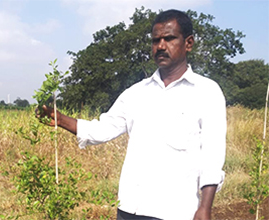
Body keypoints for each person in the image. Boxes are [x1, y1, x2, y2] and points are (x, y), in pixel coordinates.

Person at [37, 9, 226, 220]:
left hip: (174, 210)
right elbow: (104, 128)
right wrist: (61, 120)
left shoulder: (206, 92)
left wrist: (205, 208)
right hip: (131, 208)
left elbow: (212, 155)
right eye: (156, 41)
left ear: (188, 43)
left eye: (169, 39)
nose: (161, 46)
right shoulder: (136, 93)